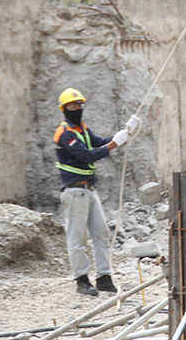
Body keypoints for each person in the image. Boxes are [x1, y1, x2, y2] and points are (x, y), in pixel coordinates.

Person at [54, 87, 140, 296]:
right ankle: (81, 280)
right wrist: (114, 144)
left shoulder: (82, 129)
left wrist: (123, 134)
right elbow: (87, 156)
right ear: (64, 109)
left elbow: (100, 143)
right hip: (75, 191)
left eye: (80, 104)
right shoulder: (65, 133)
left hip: (89, 191)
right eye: (73, 106)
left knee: (101, 234)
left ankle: (103, 277)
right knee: (78, 238)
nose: (77, 108)